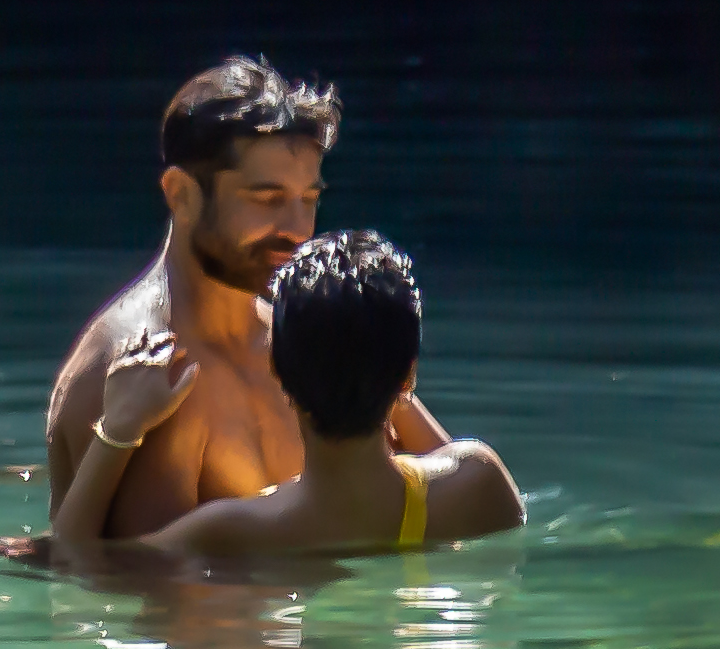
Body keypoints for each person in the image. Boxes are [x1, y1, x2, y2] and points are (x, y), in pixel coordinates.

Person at [30, 54, 448, 556]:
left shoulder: (309, 337)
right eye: (267, 199)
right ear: (182, 195)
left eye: (309, 200)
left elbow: (451, 496)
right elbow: (148, 598)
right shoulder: (142, 380)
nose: (297, 231)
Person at [70, 230, 520, 569]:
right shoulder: (479, 483)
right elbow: (439, 455)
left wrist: (118, 429)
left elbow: (75, 559)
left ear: (277, 372)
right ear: (408, 376)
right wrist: (382, 372)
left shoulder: (231, 531)